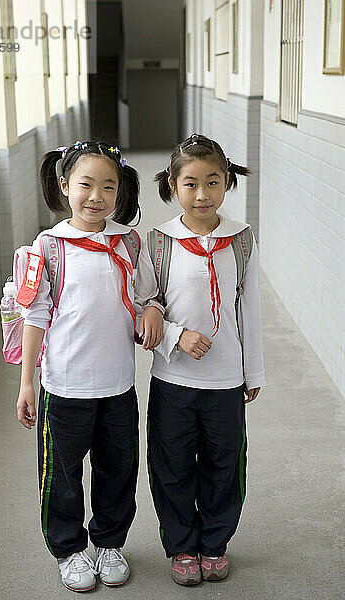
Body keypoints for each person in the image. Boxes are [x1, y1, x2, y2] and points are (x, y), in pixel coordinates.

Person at [16, 140, 163, 593]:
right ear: (64, 186)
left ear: (120, 193)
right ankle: (70, 550)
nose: (96, 196)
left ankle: (109, 543)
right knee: (61, 475)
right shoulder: (50, 245)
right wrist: (26, 384)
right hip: (63, 387)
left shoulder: (128, 241)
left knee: (117, 469)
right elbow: (35, 314)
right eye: (85, 184)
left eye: (108, 186)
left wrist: (153, 307)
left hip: (118, 385)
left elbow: (146, 294)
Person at [147, 133, 266, 586]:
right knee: (172, 463)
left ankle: (214, 543)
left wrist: (252, 370)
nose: (202, 194)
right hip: (173, 379)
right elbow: (143, 306)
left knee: (224, 462)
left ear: (227, 183)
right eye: (191, 183)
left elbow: (249, 307)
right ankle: (181, 546)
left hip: (226, 381)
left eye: (213, 182)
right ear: (173, 186)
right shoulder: (160, 242)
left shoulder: (241, 239)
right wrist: (177, 336)